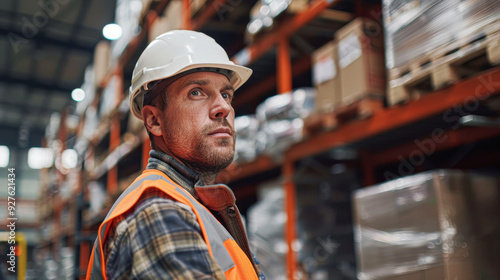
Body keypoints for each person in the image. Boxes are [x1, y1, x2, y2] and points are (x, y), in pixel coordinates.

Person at [87, 30, 263, 279]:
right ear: (154, 120)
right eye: (196, 92)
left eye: (225, 94)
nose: (224, 107)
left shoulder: (194, 205)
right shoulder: (158, 211)